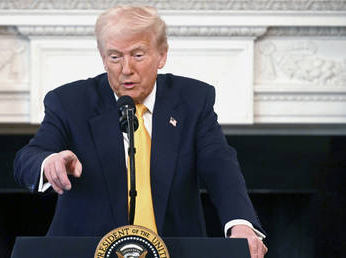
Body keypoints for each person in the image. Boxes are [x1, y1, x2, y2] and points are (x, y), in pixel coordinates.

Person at [14, 5, 268, 257]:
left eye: (138, 55)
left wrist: (241, 224)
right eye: (115, 57)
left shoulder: (192, 100)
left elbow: (220, 167)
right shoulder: (70, 102)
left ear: (162, 55)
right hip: (86, 251)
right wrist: (49, 162)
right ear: (103, 58)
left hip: (174, 250)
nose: (126, 69)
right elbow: (29, 156)